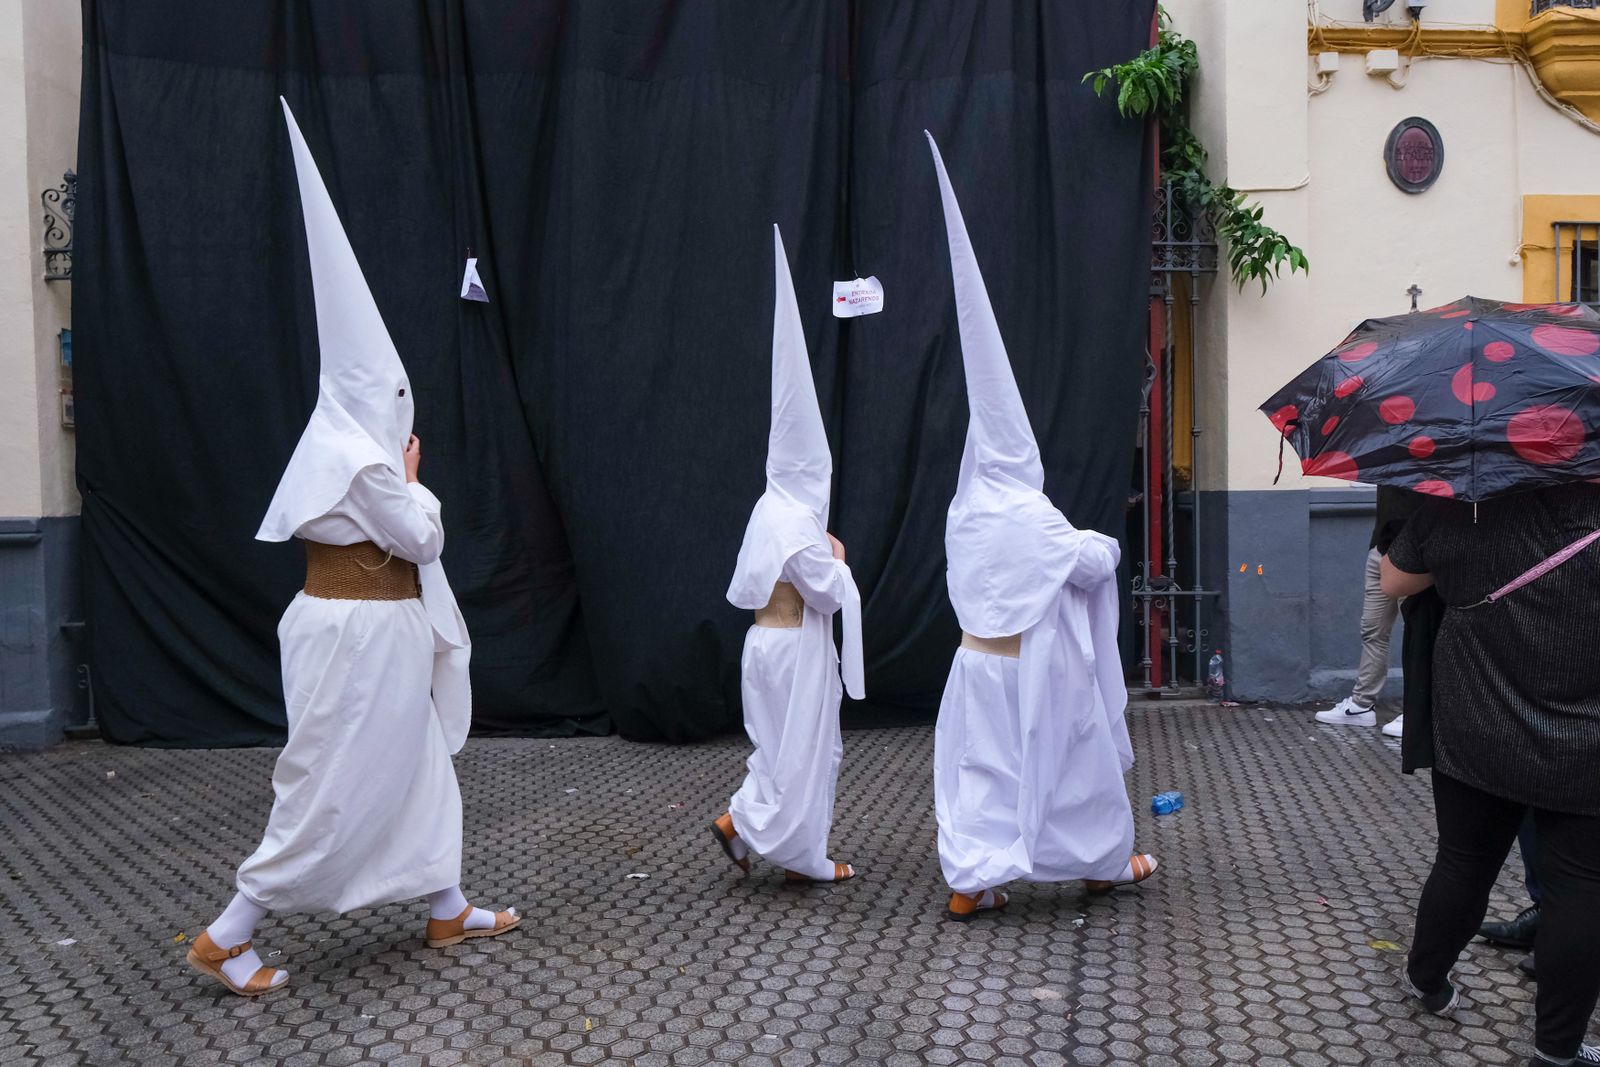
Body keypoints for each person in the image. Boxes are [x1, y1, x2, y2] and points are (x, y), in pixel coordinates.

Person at [187, 101, 517, 998]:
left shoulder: (333, 443)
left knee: (414, 772)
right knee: (333, 781)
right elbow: (421, 535)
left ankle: (446, 902)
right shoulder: (362, 454)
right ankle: (229, 930)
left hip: (370, 628)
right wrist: (414, 479)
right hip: (359, 633)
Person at [924, 134, 1157, 923]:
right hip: (1032, 671)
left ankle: (973, 877)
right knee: (1077, 759)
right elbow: (1088, 562)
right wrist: (1105, 543)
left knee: (984, 775)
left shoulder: (966, 512)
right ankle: (1101, 863)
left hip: (972, 669)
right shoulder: (1028, 509)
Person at [1382, 482, 1600, 1067]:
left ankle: (1427, 980)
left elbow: (1394, 581)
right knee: (1582, 885)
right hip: (1588, 739)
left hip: (1475, 720)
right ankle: (1556, 1050)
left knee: (1463, 859)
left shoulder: (1460, 505)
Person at [712, 226, 864, 884]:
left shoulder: (765, 507)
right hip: (794, 646)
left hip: (762, 644)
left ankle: (763, 834)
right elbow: (827, 590)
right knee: (809, 751)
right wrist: (839, 556)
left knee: (780, 752)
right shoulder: (798, 519)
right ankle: (762, 834)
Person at [1318, 486, 1421, 734]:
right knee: (1372, 629)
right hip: (1380, 549)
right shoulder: (1384, 455)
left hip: (1412, 554)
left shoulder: (1424, 459)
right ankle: (1361, 706)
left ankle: (1417, 714)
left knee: (1417, 635)